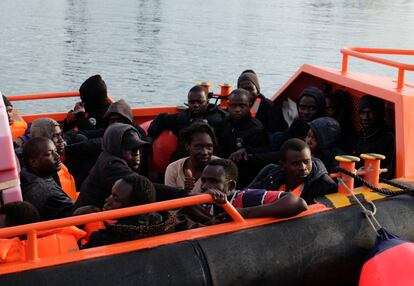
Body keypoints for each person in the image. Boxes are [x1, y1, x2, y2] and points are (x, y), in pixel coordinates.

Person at [75, 123, 187, 209]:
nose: (136, 153)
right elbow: (142, 189)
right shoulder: (111, 165)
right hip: (89, 221)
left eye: (138, 148)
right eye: (129, 148)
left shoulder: (109, 157)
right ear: (116, 147)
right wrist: (182, 195)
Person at [187, 159, 307, 223]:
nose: (205, 186)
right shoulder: (204, 204)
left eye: (213, 181)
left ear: (230, 186)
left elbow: (298, 202)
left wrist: (242, 213)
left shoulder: (246, 197)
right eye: (203, 180)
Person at [82, 173, 175, 248]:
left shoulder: (102, 240)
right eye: (111, 194)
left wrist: (77, 221)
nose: (108, 200)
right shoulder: (170, 228)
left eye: (116, 199)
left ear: (135, 208)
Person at [148, 85, 228, 161]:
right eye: (192, 102)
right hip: (183, 161)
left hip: (210, 162)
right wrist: (150, 137)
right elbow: (161, 118)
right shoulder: (183, 117)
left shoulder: (221, 118)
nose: (196, 105)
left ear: (207, 102)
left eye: (200, 102)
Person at [248, 138, 337, 204]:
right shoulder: (273, 176)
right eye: (296, 163)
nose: (303, 167)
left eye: (306, 162)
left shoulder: (326, 186)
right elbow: (247, 196)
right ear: (283, 165)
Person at [216, 88, 269, 188]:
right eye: (233, 105)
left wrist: (246, 151)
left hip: (244, 176)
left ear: (249, 105)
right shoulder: (223, 123)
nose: (237, 109)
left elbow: (262, 153)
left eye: (242, 105)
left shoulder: (256, 128)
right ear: (228, 105)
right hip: (221, 169)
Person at [20, 137, 75, 220]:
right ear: (33, 162)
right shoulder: (51, 195)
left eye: (55, 151)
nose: (57, 156)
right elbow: (76, 217)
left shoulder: (28, 174)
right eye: (49, 154)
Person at [30, 118, 78, 200]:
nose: (61, 140)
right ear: (42, 140)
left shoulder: (52, 160)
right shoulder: (39, 173)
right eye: (55, 136)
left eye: (60, 135)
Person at [165, 122, 220, 192]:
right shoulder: (173, 169)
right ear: (187, 146)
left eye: (209, 147)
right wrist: (185, 192)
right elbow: (170, 200)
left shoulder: (221, 167)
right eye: (198, 147)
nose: (205, 152)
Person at [355, 95, 395, 178]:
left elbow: (389, 172)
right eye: (362, 113)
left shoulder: (389, 138)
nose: (366, 117)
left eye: (370, 113)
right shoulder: (362, 133)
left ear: (380, 114)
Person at [237, 70, 288, 134]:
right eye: (243, 89)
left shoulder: (270, 107)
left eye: (250, 88)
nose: (247, 93)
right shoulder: (233, 107)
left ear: (257, 90)